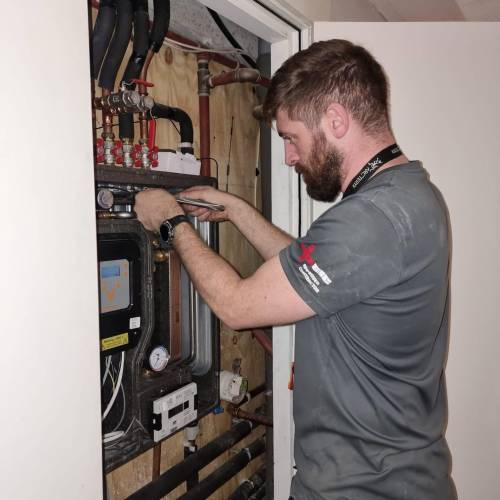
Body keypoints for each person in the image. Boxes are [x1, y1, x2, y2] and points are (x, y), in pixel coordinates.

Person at [135, 39, 457, 500]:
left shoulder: (370, 220)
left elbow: (237, 306)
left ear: (335, 120)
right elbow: (320, 272)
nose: (289, 157)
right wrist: (237, 211)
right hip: (400, 480)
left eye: (291, 137)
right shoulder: (411, 196)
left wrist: (171, 222)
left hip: (363, 490)